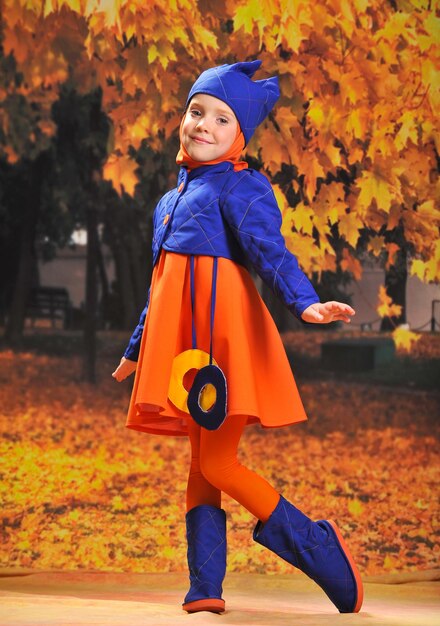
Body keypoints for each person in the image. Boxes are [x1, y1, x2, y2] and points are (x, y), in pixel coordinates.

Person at [112, 60, 363, 616]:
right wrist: (135, 350)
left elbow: (270, 253)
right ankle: (205, 585)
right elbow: (160, 288)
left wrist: (305, 300)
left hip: (223, 349)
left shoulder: (241, 187)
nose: (203, 125)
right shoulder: (167, 202)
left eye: (221, 119)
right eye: (196, 111)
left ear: (239, 137)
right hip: (185, 353)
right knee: (201, 465)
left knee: (219, 465)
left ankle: (317, 546)